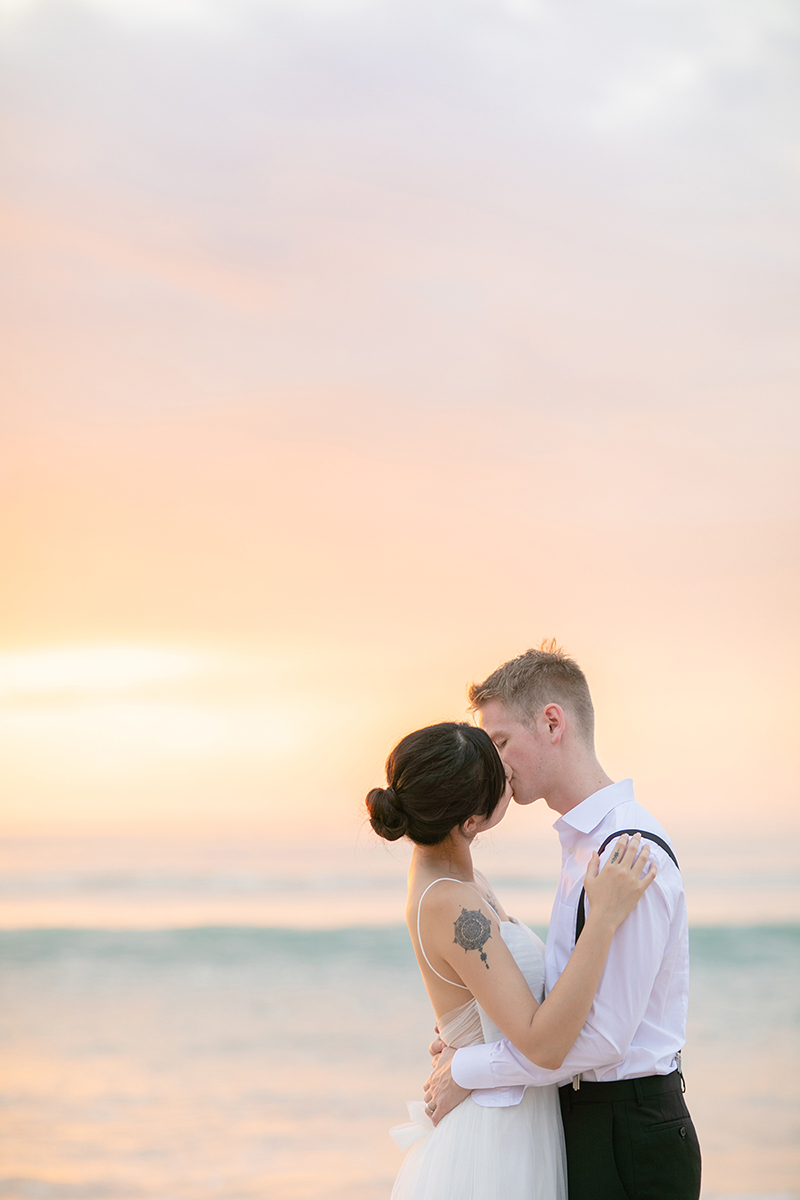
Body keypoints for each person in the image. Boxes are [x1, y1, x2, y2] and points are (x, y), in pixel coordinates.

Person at [423, 643, 702, 1200]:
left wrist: (471, 1069)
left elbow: (603, 1039)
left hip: (629, 1133)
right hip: (591, 1123)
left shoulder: (626, 851)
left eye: (500, 742)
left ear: (552, 722)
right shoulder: (582, 845)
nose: (493, 764)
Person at [366, 719, 656, 1200]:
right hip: (494, 1139)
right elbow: (543, 1045)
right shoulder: (451, 903)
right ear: (470, 823)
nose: (508, 767)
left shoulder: (456, 875)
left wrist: (467, 1050)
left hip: (513, 1114)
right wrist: (602, 920)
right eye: (496, 770)